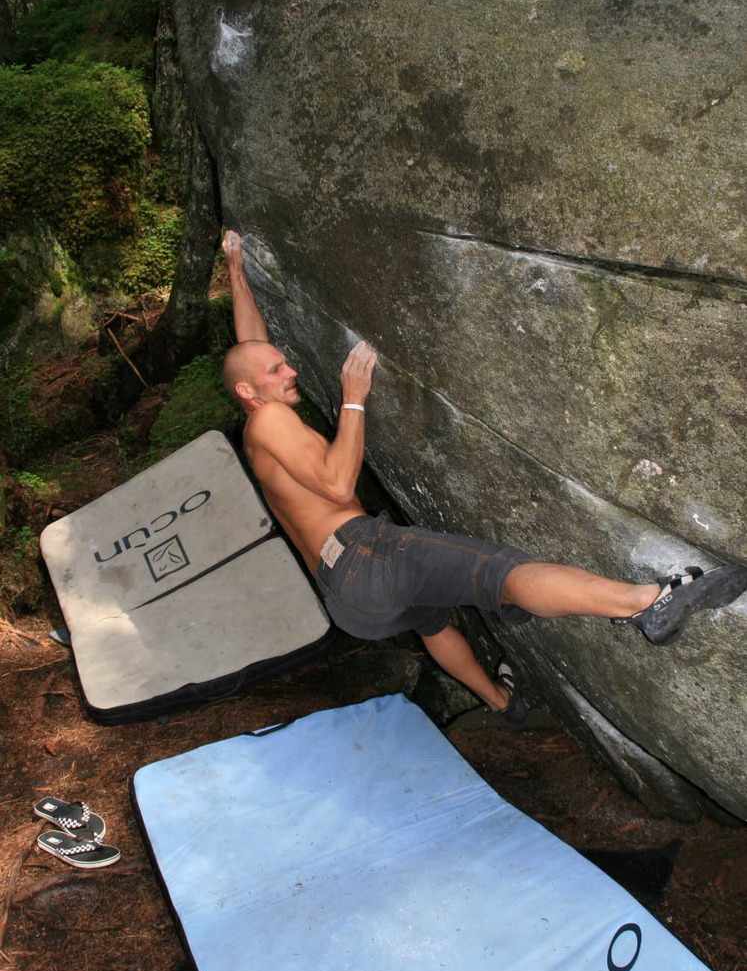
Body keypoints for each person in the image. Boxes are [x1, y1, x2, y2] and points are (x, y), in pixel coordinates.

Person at [221, 230, 747, 723]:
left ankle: (500, 702)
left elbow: (251, 351)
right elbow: (337, 486)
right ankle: (644, 604)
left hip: (347, 594)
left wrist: (236, 269)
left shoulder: (257, 420)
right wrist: (353, 400)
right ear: (251, 391)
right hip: (365, 553)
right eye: (277, 371)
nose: (288, 370)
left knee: (432, 621)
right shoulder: (271, 417)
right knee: (503, 573)